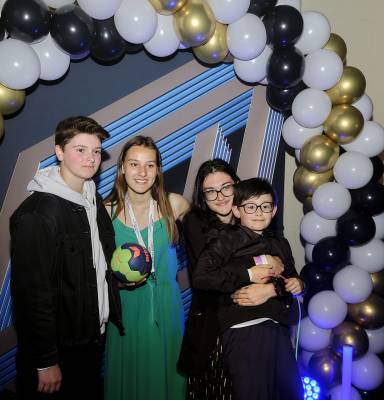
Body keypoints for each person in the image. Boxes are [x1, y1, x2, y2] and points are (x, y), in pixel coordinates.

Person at [10, 116, 123, 399]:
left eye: (96, 151)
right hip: (59, 352)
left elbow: (97, 264)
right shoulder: (37, 214)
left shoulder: (92, 198)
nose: (91, 158)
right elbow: (31, 295)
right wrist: (45, 361)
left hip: (92, 339)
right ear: (59, 152)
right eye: (80, 149)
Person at [177, 160, 284, 400]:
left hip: (259, 324)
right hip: (214, 327)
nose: (220, 196)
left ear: (237, 184)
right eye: (210, 191)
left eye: (226, 187)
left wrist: (272, 288)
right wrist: (256, 268)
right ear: (202, 196)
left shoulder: (254, 213)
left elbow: (287, 270)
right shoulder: (195, 222)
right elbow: (205, 277)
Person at [193, 177, 305, 400]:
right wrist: (248, 274)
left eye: (265, 206)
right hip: (244, 329)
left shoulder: (281, 244)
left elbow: (292, 279)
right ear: (236, 210)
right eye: (250, 207)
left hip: (279, 327)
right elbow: (202, 277)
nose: (259, 212)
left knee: (291, 392)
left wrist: (296, 284)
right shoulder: (225, 239)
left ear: (274, 210)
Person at [104, 135, 190, 400]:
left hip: (166, 305)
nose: (142, 172)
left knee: (167, 381)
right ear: (122, 168)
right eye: (134, 164)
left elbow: (210, 239)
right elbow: (92, 271)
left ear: (158, 170)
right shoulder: (106, 212)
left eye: (150, 165)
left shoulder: (175, 204)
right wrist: (115, 283)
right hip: (126, 309)